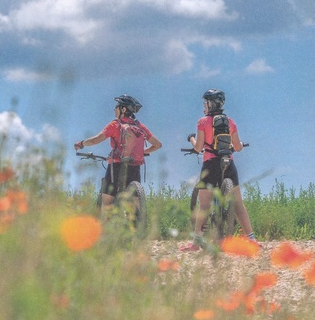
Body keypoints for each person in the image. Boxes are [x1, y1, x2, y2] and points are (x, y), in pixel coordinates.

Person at [180, 88, 257, 251]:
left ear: (210, 103)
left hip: (210, 164)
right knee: (238, 204)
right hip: (229, 164)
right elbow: (237, 146)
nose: (204, 106)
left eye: (205, 103)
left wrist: (192, 139)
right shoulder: (231, 122)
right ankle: (251, 238)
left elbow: (199, 147)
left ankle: (196, 243)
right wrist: (241, 145)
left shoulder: (202, 122)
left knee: (204, 205)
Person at [74, 95, 162, 210]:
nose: (114, 109)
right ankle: (138, 225)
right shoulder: (139, 126)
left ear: (123, 109)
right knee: (135, 207)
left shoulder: (115, 125)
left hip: (116, 167)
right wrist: (142, 152)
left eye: (116, 107)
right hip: (135, 169)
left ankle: (106, 227)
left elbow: (96, 140)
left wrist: (81, 143)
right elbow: (158, 145)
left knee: (107, 204)